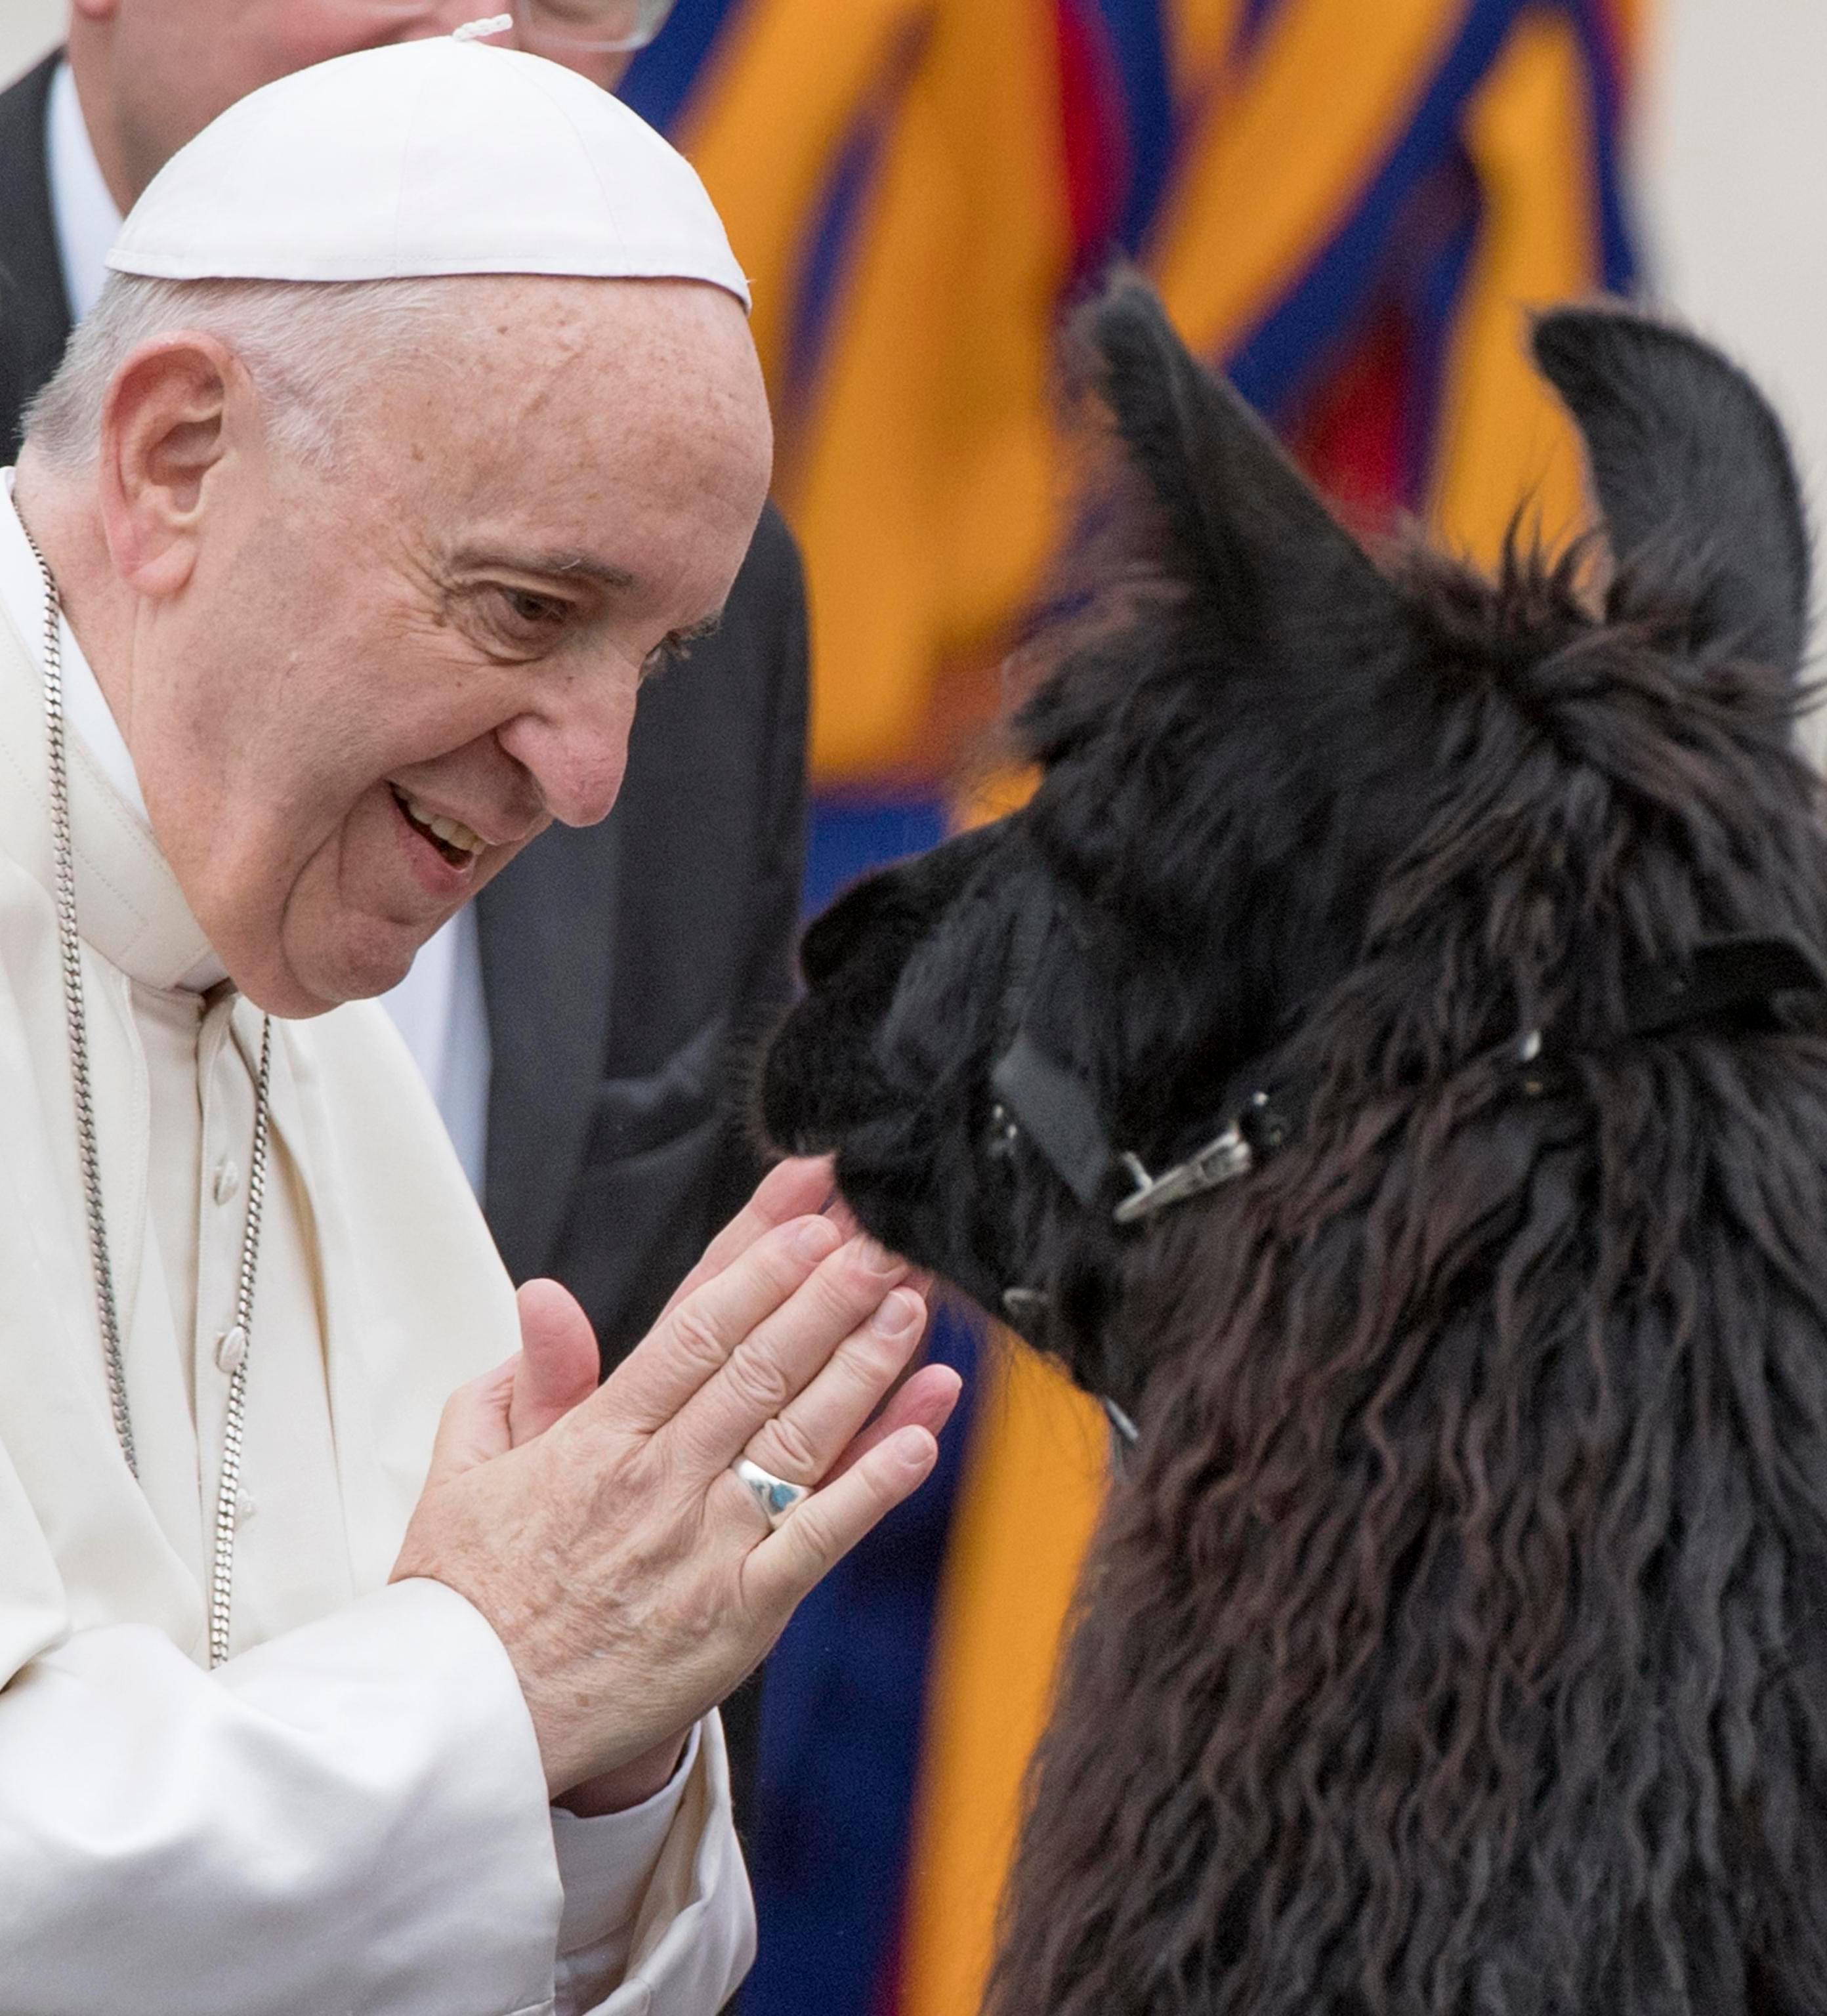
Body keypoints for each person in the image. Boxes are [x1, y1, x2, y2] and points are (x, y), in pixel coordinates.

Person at [0, 33, 959, 2016]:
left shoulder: (276, 948)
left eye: (654, 660)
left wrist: (604, 1763)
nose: (593, 780)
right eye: (526, 611)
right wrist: (499, 1685)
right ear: (176, 460)